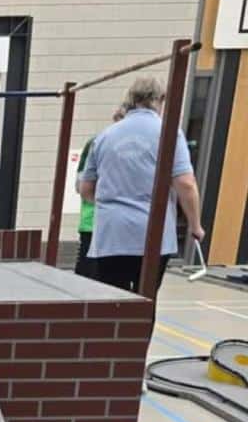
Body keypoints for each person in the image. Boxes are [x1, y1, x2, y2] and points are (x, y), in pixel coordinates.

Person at [79, 76, 204, 293]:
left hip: (112, 235)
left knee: (113, 299)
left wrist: (111, 204)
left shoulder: (104, 137)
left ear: (131, 99)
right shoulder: (169, 133)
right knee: (145, 299)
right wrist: (195, 226)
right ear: (160, 100)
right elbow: (185, 183)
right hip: (153, 234)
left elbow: (86, 189)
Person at [74, 106, 125, 278]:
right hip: (94, 222)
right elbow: (81, 186)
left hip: (115, 225)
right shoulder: (97, 143)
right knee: (89, 274)